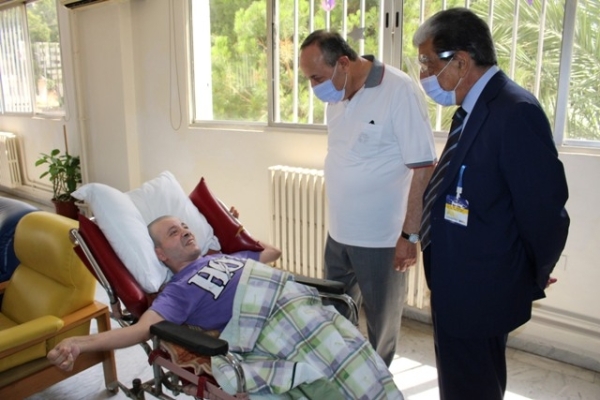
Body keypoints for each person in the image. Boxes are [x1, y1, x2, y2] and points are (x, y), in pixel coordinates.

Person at [48, 216, 403, 399]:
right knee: (330, 376)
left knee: (358, 359)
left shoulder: (222, 257)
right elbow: (141, 330)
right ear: (160, 254)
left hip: (294, 303)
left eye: (185, 226)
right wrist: (80, 343)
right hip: (267, 324)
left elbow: (272, 253)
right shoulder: (177, 290)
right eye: (173, 233)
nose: (185, 232)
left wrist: (229, 227)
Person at [413, 8, 570, 400]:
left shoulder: (515, 111)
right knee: (458, 384)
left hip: (482, 290)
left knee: (473, 388)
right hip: (455, 282)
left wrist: (531, 274)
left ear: (461, 61)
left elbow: (545, 212)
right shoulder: (471, 109)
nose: (424, 75)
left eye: (428, 63)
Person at [299, 30, 437, 366]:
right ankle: (343, 377)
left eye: (316, 78)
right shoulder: (337, 95)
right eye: (309, 79)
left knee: (381, 326)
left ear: (343, 63)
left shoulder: (399, 90)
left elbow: (423, 167)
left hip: (381, 239)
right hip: (338, 233)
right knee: (334, 317)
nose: (314, 87)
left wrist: (410, 235)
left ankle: (378, 382)